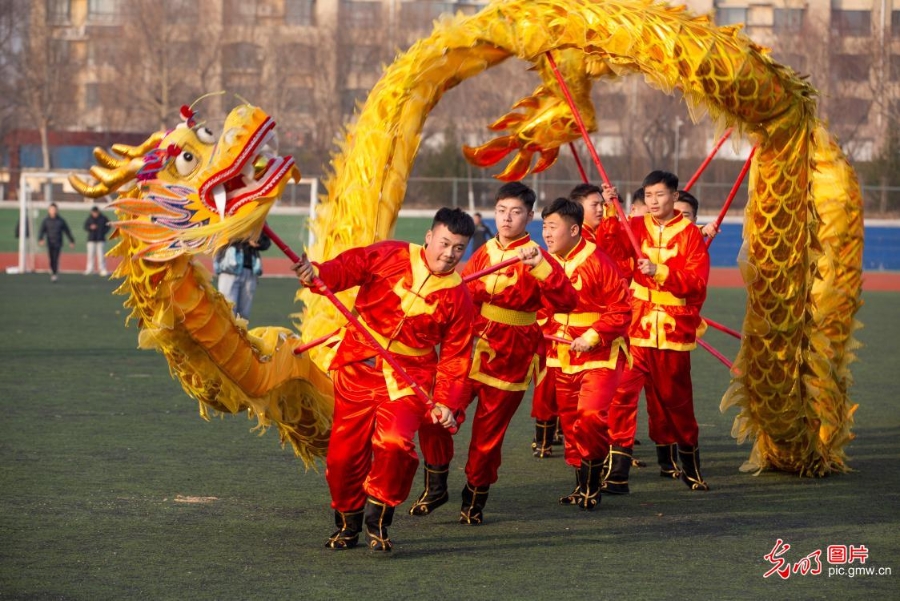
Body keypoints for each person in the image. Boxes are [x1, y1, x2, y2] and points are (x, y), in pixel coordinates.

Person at [292, 207, 476, 552]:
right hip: (358, 367)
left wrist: (449, 402)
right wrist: (316, 272)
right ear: (429, 236)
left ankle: (379, 517)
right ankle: (348, 525)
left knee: (395, 444)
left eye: (458, 248)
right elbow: (346, 268)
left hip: (410, 380)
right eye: (445, 243)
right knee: (343, 456)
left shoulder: (458, 296)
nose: (449, 253)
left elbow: (456, 356)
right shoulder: (390, 253)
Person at [413, 182, 577, 525]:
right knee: (437, 415)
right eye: (501, 211)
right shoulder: (484, 251)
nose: (506, 218)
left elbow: (567, 302)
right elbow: (461, 296)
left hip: (512, 356)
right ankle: (436, 483)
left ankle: (474, 497)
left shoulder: (537, 256)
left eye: (516, 212)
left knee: (488, 435)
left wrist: (541, 269)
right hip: (469, 350)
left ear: (529, 217)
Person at [601, 171, 711, 493]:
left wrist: (660, 271)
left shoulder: (691, 236)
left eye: (660, 195)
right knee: (621, 395)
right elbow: (608, 248)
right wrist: (611, 209)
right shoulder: (635, 227)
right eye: (648, 195)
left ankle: (690, 466)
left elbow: (697, 284)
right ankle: (617, 473)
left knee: (675, 403)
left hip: (673, 332)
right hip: (636, 328)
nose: (653, 202)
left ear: (675, 197)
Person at [535, 198, 631, 510]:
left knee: (590, 416)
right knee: (570, 421)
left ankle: (593, 483)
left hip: (599, 354)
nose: (547, 234)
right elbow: (537, 307)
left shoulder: (599, 261)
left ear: (574, 229)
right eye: (545, 227)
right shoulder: (545, 263)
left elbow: (622, 309)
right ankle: (581, 485)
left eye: (554, 227)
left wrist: (592, 335)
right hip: (561, 353)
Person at [215, 232, 271, 318]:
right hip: (229, 269)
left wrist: (258, 241)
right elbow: (219, 237)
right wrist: (246, 237)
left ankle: (240, 331)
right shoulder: (225, 218)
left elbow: (266, 242)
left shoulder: (257, 221)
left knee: (244, 314)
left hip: (250, 269)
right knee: (227, 311)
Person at [37, 203, 75, 282]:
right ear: (49, 210)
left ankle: (54, 273)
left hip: (58, 242)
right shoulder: (46, 220)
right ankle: (53, 271)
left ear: (57, 210)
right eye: (51, 209)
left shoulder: (61, 220)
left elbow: (67, 231)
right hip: (50, 242)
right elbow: (42, 231)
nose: (53, 211)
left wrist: (71, 240)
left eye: (54, 209)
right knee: (51, 259)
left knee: (56, 258)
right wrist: (40, 239)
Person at [83, 206, 111, 276]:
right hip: (91, 239)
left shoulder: (103, 218)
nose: (95, 214)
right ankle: (90, 268)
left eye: (96, 212)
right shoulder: (89, 219)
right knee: (90, 255)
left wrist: (103, 232)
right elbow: (85, 226)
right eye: (93, 212)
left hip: (100, 239)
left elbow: (108, 226)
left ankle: (102, 269)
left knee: (101, 255)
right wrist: (90, 227)